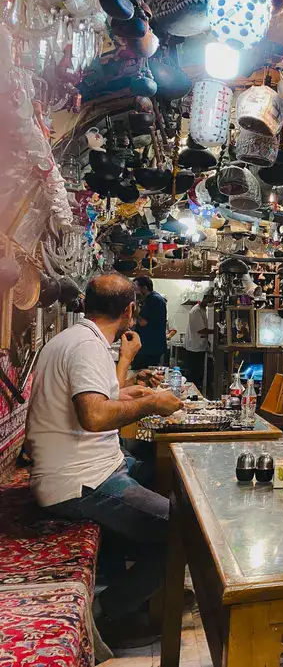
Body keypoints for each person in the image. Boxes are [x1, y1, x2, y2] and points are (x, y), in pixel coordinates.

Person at [25, 273, 183, 647]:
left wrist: (126, 393)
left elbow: (91, 399)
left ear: (85, 304)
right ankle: (107, 615)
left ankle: (145, 587)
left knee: (168, 475)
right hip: (81, 482)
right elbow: (93, 416)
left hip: (91, 467)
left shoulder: (78, 339)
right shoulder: (86, 347)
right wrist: (151, 406)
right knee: (186, 532)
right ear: (129, 311)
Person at [133, 276, 167, 370]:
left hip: (150, 348)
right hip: (149, 347)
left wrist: (133, 309)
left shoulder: (154, 300)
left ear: (144, 288)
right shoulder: (150, 299)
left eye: (135, 287)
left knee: (141, 374)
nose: (134, 291)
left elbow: (143, 322)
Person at [184, 289, 214, 391]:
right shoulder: (196, 310)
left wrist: (207, 341)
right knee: (194, 377)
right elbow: (201, 330)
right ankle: (192, 397)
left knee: (198, 376)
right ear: (205, 298)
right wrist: (216, 332)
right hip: (194, 349)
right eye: (210, 298)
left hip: (198, 347)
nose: (211, 301)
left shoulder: (202, 309)